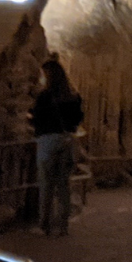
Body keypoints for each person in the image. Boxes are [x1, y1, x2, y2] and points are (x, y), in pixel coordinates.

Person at [32, 58, 84, 235]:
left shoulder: (45, 96)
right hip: (67, 141)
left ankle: (44, 225)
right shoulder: (73, 95)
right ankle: (63, 226)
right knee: (63, 186)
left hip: (47, 142)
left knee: (46, 185)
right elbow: (77, 119)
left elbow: (37, 119)